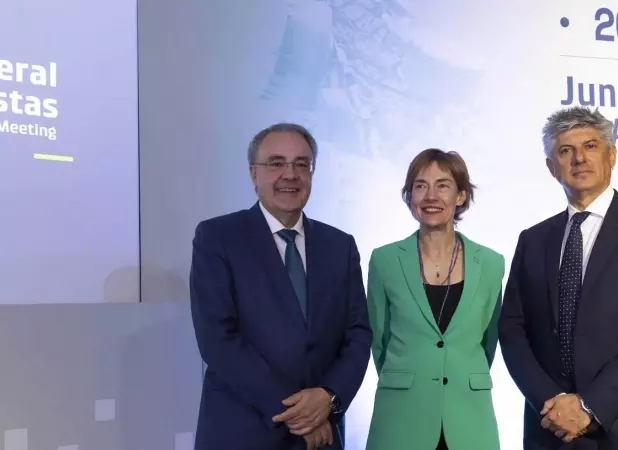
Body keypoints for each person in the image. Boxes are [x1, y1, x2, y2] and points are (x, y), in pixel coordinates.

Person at [499, 106, 618, 450]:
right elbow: (513, 330)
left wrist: (589, 406)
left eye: (590, 146)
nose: (579, 159)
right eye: (565, 151)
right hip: (552, 430)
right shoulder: (533, 239)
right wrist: (552, 402)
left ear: (611, 155)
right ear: (551, 167)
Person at [189, 123, 372, 450]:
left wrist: (328, 398)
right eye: (276, 163)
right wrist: (298, 415)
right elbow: (218, 340)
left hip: (322, 435)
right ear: (253, 174)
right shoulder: (218, 238)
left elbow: (357, 335)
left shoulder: (339, 246)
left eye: (302, 164)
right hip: (243, 432)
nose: (291, 174)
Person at [364, 149, 505, 450]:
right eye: (420, 185)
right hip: (401, 418)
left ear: (461, 196)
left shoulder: (492, 264)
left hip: (469, 419)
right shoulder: (385, 260)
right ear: (409, 196)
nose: (431, 196)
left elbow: (489, 340)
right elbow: (379, 340)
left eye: (442, 185)